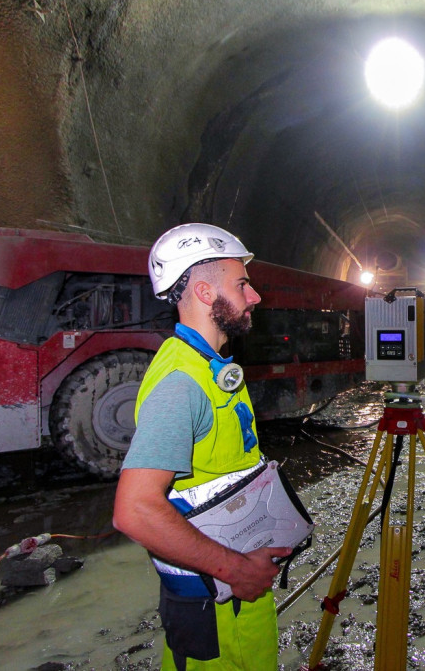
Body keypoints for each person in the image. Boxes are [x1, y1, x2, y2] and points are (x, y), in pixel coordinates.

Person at [113, 223, 292, 670]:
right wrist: (235, 569)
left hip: (237, 593)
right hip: (212, 606)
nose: (255, 297)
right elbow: (134, 510)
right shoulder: (181, 384)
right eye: (243, 284)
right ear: (206, 292)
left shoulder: (208, 367)